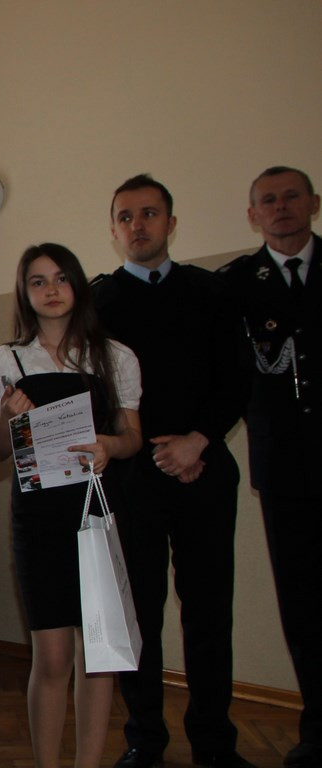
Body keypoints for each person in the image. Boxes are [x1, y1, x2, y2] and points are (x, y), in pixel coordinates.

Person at [93, 175, 252, 768]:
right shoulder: (97, 304)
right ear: (113, 230)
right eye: (126, 216)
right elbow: (94, 393)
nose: (138, 225)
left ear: (171, 223)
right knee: (138, 616)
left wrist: (196, 443)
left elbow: (236, 378)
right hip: (131, 481)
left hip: (205, 471)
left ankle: (214, 743)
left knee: (209, 613)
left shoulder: (211, 292)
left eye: (150, 213)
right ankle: (145, 740)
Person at [0, 243, 142, 768]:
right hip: (37, 519)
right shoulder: (4, 360)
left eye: (60, 278)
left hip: (96, 512)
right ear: (24, 293)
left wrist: (109, 445)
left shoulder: (115, 356)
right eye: (38, 281)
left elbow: (132, 438)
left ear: (77, 285)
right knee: (51, 658)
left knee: (97, 655)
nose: (50, 290)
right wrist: (8, 419)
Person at [217, 166, 322, 768]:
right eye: (267, 201)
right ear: (252, 215)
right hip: (285, 470)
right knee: (303, 606)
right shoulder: (235, 284)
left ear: (313, 203)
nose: (281, 207)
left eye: (290, 197)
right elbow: (222, 375)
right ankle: (318, 729)